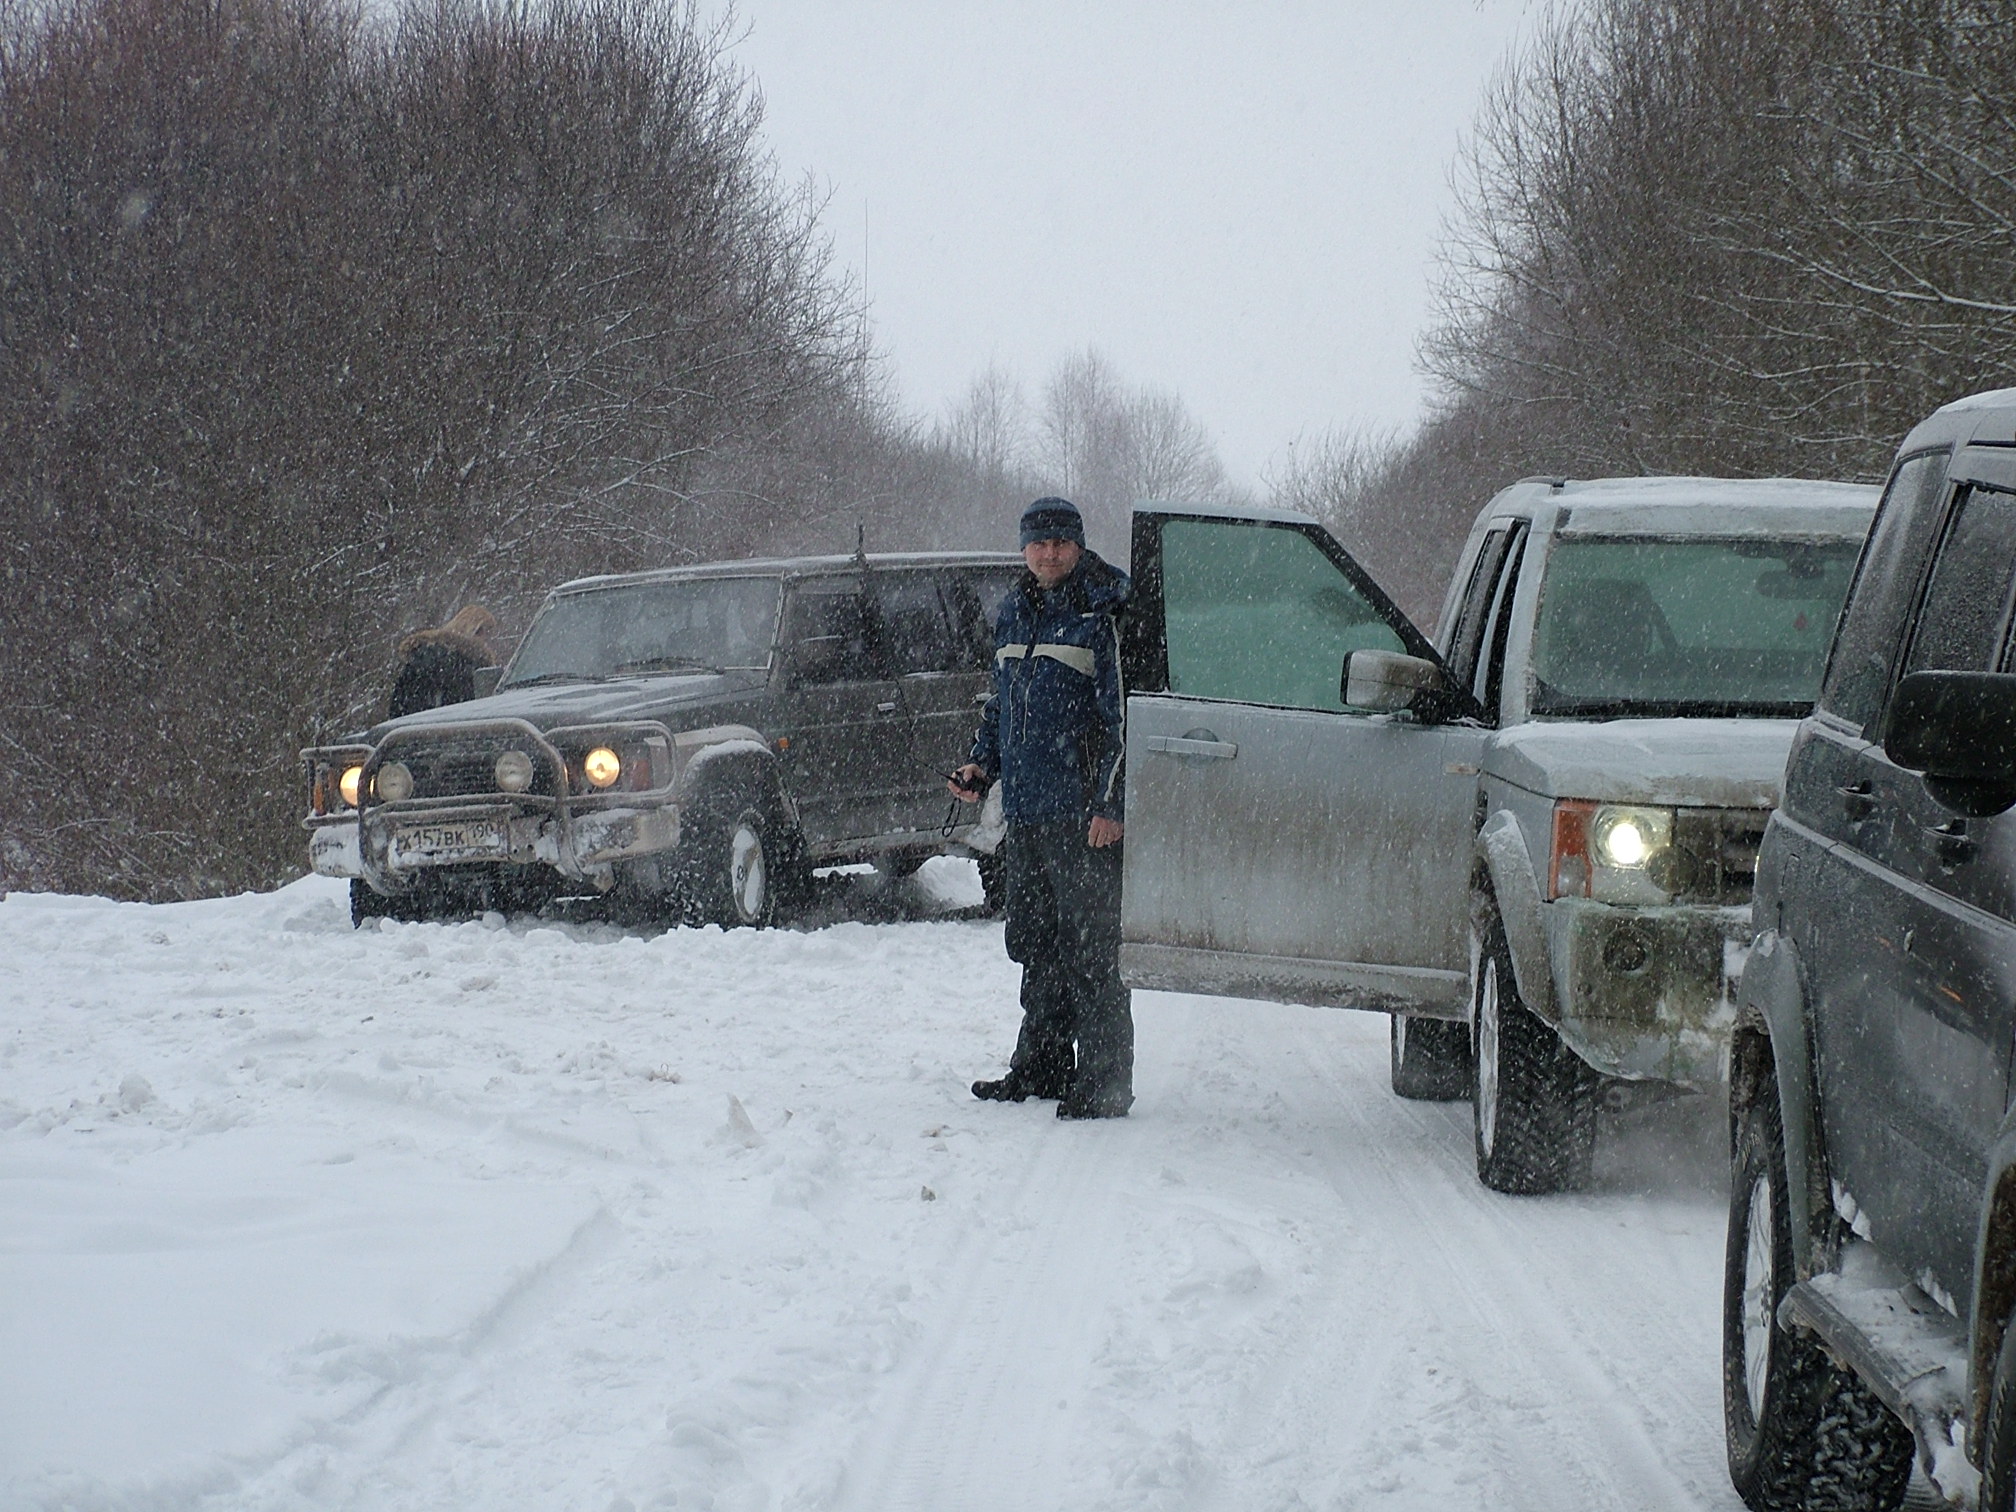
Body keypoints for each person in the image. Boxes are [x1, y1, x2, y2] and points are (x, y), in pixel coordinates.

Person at [950, 497, 1134, 1120]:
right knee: (1036, 943)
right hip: (1027, 812)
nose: (1049, 553)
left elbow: (1122, 719)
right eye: (1039, 543)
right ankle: (1042, 1068)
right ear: (1024, 549)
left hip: (1083, 819)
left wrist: (1110, 803)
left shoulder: (1101, 613)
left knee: (1091, 950)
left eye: (1060, 543)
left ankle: (1104, 1083)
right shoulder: (1013, 612)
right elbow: (1000, 705)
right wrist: (981, 765)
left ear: (1078, 547)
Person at [388, 605, 499, 719]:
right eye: (483, 631)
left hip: (413, 721)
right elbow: (457, 703)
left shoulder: (428, 652)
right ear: (471, 629)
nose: (486, 639)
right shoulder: (457, 661)